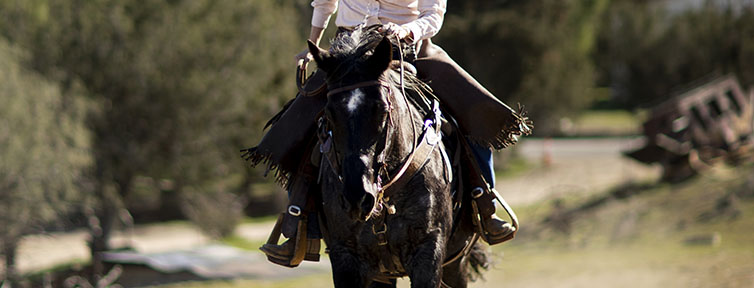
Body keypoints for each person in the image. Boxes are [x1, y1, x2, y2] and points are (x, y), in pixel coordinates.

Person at [254, 0, 531, 266]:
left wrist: (407, 30)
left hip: (407, 49)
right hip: (347, 52)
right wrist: (313, 40)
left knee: (472, 108)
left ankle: (484, 202)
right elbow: (325, 2)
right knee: (299, 123)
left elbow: (433, 14)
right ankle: (299, 217)